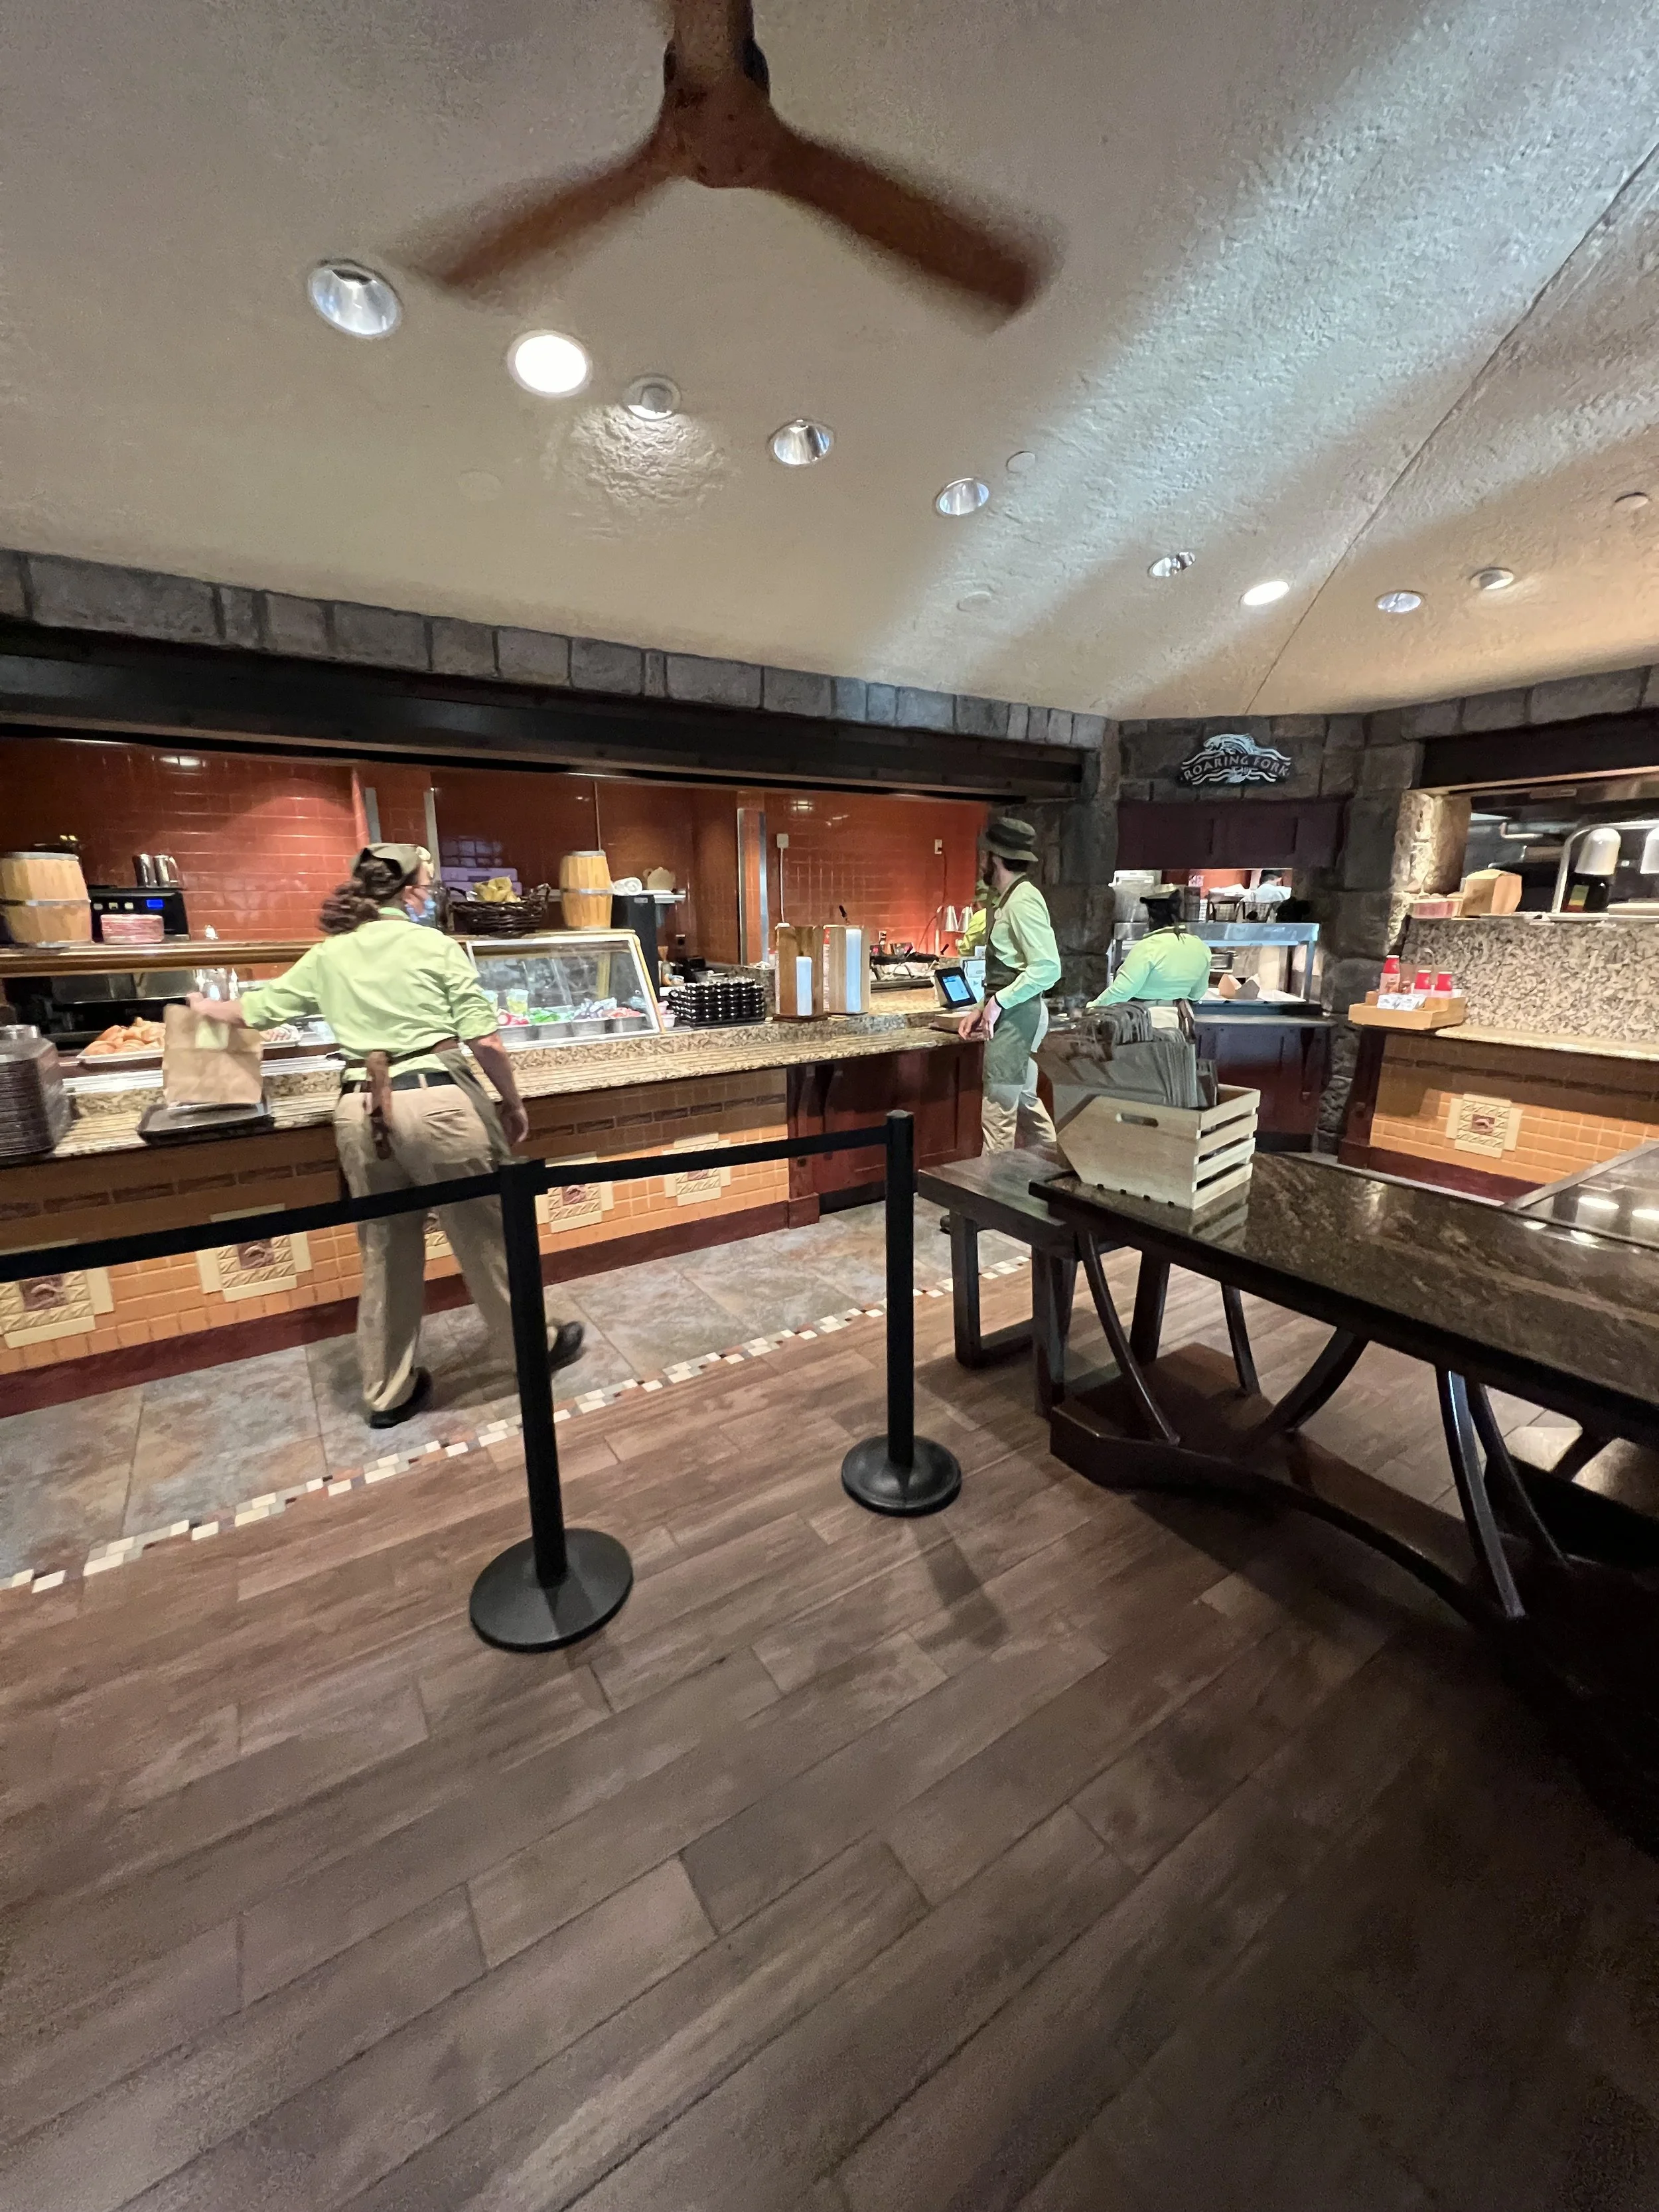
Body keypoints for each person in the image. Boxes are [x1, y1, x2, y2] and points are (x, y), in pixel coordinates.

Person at [186, 844, 583, 1428]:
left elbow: (250, 1012)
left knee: (385, 1248)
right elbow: (485, 1040)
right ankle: (533, 1347)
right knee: (486, 1235)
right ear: (412, 891)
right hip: (437, 1104)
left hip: (359, 1110)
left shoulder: (330, 952)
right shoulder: (433, 945)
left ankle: (387, 1390)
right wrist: (513, 1101)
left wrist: (200, 1004)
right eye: (426, 883)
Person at [956, 817, 1061, 1153]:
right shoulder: (1007, 899)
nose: (981, 863)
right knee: (1026, 1102)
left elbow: (1047, 968)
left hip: (1018, 1019)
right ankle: (1056, 1169)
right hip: (1014, 1015)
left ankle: (991, 1198)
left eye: (983, 855)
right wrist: (982, 1006)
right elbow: (1009, 969)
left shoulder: (1022, 902)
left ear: (993, 857)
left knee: (998, 1116)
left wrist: (998, 1002)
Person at [1090, 887, 1211, 1009]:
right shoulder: (1201, 947)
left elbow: (1123, 991)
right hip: (1178, 1016)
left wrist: (1092, 1007)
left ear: (1151, 919)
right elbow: (1197, 994)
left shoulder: (1148, 948)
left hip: (1147, 1016)